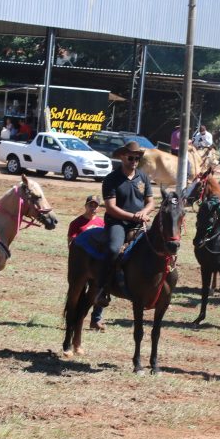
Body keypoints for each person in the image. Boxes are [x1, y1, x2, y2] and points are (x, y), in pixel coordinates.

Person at [95, 140, 154, 308]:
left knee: (158, 244)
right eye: (131, 158)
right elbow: (111, 208)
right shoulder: (111, 179)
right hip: (117, 223)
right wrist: (133, 216)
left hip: (139, 222)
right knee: (113, 249)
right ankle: (102, 288)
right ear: (122, 157)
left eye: (137, 158)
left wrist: (144, 212)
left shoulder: (143, 177)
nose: (134, 161)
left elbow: (150, 202)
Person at [68, 195, 107, 330]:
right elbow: (71, 243)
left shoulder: (102, 223)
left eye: (96, 205)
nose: (93, 208)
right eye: (90, 205)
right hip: (82, 264)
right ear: (85, 206)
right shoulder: (76, 223)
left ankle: (96, 319)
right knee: (79, 291)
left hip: (97, 263)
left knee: (100, 290)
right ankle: (74, 318)